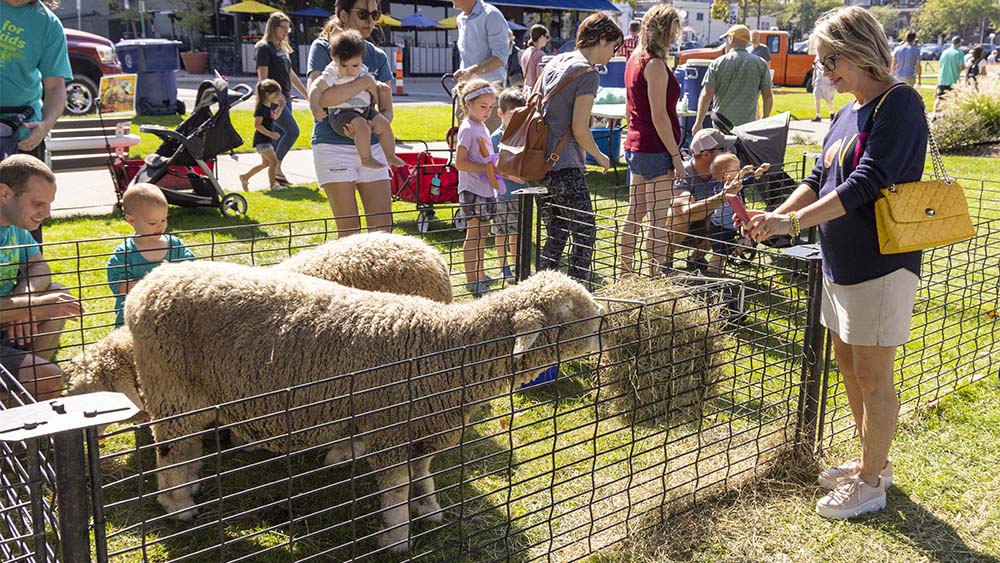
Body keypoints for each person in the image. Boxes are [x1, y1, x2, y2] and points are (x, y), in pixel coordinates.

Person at [744, 6, 928, 520]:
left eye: (830, 60)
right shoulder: (849, 111)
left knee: (874, 376)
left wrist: (792, 224)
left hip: (881, 263)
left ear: (860, 51)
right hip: (839, 262)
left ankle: (870, 484)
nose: (823, 72)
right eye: (821, 61)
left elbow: (866, 184)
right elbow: (819, 178)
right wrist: (776, 216)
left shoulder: (899, 103)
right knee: (848, 366)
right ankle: (873, 462)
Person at [536, 12, 619, 285]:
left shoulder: (556, 61)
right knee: (585, 234)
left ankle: (541, 292)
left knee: (556, 235)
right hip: (565, 166)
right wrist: (601, 156)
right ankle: (577, 296)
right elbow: (580, 129)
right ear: (602, 39)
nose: (613, 54)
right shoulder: (587, 73)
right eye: (613, 46)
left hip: (540, 165)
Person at [307, 0, 395, 236]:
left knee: (382, 232)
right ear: (343, 14)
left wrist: (374, 125)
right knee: (349, 233)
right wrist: (364, 83)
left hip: (372, 145)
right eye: (364, 13)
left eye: (375, 14)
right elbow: (321, 98)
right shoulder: (324, 47)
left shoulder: (378, 56)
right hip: (332, 145)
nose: (371, 21)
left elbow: (387, 110)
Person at [0, 155, 83, 400]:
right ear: (4, 193)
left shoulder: (15, 227)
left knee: (58, 291)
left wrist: (24, 301)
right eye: (38, 204)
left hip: (6, 325)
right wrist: (31, 307)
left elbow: (39, 266)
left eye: (49, 204)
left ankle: (21, 383)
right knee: (50, 380)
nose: (47, 213)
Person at [621, 4, 686, 276]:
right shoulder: (656, 65)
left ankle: (625, 274)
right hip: (655, 149)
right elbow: (660, 117)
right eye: (671, 32)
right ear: (660, 32)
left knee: (635, 213)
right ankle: (655, 275)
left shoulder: (634, 60)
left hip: (636, 146)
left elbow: (629, 109)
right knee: (658, 219)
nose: (673, 38)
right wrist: (676, 156)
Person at [0, 0, 71, 245]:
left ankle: (31, 267)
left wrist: (45, 126)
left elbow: (55, 87)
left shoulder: (48, 23)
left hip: (23, 133)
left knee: (29, 215)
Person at [310, 30, 404, 170]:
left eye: (355, 65)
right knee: (361, 125)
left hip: (364, 110)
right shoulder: (332, 72)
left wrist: (379, 86)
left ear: (361, 59)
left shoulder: (362, 69)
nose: (350, 70)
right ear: (335, 59)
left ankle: (390, 154)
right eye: (344, 65)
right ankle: (366, 158)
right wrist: (315, 107)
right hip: (341, 113)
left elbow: (371, 83)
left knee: (383, 124)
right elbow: (316, 87)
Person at [106, 183, 195, 328]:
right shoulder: (124, 253)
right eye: (152, 223)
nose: (160, 226)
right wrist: (154, 285)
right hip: (135, 316)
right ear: (131, 220)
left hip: (170, 314)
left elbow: (191, 271)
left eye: (164, 220)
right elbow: (118, 285)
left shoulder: (175, 245)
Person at [667, 128, 739, 272]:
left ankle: (697, 258)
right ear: (706, 154)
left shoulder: (722, 172)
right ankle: (666, 261)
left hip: (706, 223)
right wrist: (722, 196)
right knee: (675, 217)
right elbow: (683, 211)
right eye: (723, 149)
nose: (728, 152)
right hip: (683, 226)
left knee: (720, 219)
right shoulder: (684, 172)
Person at [452, 79, 500, 296]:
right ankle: (472, 279)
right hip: (472, 189)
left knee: (482, 232)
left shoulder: (481, 127)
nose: (487, 112)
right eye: (483, 106)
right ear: (468, 104)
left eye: (491, 107)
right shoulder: (468, 129)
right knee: (474, 234)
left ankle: (479, 274)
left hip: (485, 188)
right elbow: (460, 163)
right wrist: (485, 168)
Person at [255, 12, 309, 187]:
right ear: (273, 27)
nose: (286, 31)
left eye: (288, 28)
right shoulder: (264, 47)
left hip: (285, 97)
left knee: (278, 138)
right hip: (273, 100)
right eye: (283, 28)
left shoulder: (282, 47)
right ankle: (277, 167)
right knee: (292, 131)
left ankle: (275, 179)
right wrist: (270, 101)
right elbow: (263, 79)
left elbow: (290, 73)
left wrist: (305, 93)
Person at [693, 24, 772, 135]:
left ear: (731, 39)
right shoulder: (760, 64)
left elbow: (707, 95)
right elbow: (767, 97)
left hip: (721, 126)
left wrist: (698, 123)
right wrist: (764, 120)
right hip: (747, 127)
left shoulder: (718, 63)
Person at [453, 0, 509, 131]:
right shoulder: (460, 19)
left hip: (489, 91)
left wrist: (472, 71)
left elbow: (500, 58)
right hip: (466, 89)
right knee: (466, 137)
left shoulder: (491, 15)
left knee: (490, 139)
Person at [491, 88, 529, 281]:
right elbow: (494, 167)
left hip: (522, 194)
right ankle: (503, 266)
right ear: (500, 113)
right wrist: (514, 178)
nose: (517, 120)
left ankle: (517, 264)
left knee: (517, 232)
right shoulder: (496, 137)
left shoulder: (523, 134)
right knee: (502, 231)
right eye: (512, 115)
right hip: (504, 193)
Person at [239, 79, 286, 192]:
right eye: (276, 95)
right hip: (262, 140)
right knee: (273, 162)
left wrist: (281, 106)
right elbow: (257, 125)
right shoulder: (261, 108)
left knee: (265, 163)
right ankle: (273, 185)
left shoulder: (268, 107)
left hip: (266, 140)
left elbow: (274, 117)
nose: (278, 97)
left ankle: (245, 177)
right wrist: (271, 134)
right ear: (267, 94)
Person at [933, 36, 965, 113]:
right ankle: (952, 114)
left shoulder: (945, 52)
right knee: (954, 99)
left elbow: (940, 64)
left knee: (940, 98)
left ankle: (935, 114)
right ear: (959, 43)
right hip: (953, 80)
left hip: (943, 79)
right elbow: (961, 67)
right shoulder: (959, 53)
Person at [520, 24, 549, 93]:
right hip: (535, 91)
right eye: (547, 37)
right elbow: (540, 77)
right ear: (541, 37)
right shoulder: (540, 54)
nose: (547, 40)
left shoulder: (526, 52)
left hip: (526, 89)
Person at [812, 57, 836, 122]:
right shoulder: (817, 57)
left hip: (827, 82)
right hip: (818, 81)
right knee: (816, 98)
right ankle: (818, 116)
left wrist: (833, 80)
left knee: (828, 100)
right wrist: (813, 80)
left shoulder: (829, 56)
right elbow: (814, 69)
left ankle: (832, 113)